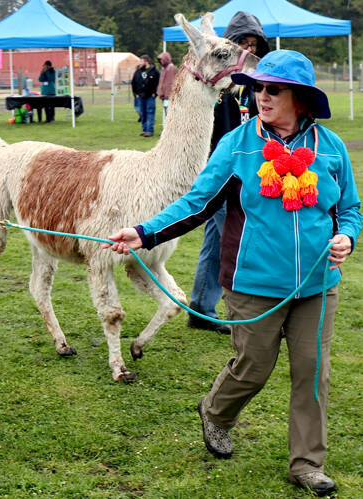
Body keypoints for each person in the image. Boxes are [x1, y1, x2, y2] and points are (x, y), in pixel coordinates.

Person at [105, 50, 361, 497]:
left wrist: (347, 237)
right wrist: (144, 233)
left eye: (273, 89)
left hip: (317, 284)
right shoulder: (237, 145)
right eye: (258, 87)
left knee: (312, 372)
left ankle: (306, 465)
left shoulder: (332, 148)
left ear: (299, 98)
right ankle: (216, 413)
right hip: (252, 284)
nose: (261, 95)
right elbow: (196, 203)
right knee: (253, 368)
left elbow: (349, 209)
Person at [187, 11, 270, 335]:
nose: (248, 50)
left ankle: (201, 309)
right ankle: (251, 314)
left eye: (253, 45)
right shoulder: (219, 84)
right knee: (238, 239)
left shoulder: (252, 84)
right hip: (220, 171)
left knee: (215, 242)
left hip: (245, 170)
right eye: (242, 43)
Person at [131, 55, 159, 137]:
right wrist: (135, 93)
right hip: (140, 96)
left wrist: (155, 93)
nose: (140, 63)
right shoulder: (138, 71)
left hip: (150, 96)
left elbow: (159, 82)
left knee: (150, 112)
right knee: (143, 113)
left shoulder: (154, 71)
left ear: (146, 61)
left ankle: (149, 130)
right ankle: (144, 130)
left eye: (141, 61)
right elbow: (134, 82)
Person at [156, 52, 176, 116]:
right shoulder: (164, 69)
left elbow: (170, 83)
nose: (161, 61)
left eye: (161, 59)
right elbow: (161, 82)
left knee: (170, 114)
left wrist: (168, 95)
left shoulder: (171, 68)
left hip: (168, 96)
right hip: (164, 96)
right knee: (167, 113)